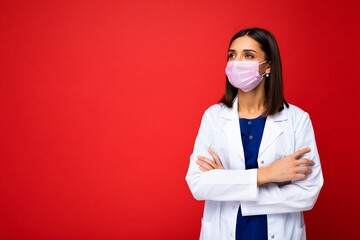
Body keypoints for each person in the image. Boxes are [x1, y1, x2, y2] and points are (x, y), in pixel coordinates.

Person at [185, 27, 323, 240]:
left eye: (248, 55)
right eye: (232, 55)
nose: (236, 62)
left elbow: (308, 193)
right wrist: (266, 175)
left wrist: (227, 182)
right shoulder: (213, 117)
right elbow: (199, 184)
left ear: (267, 65)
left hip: (279, 232)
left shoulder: (297, 119)